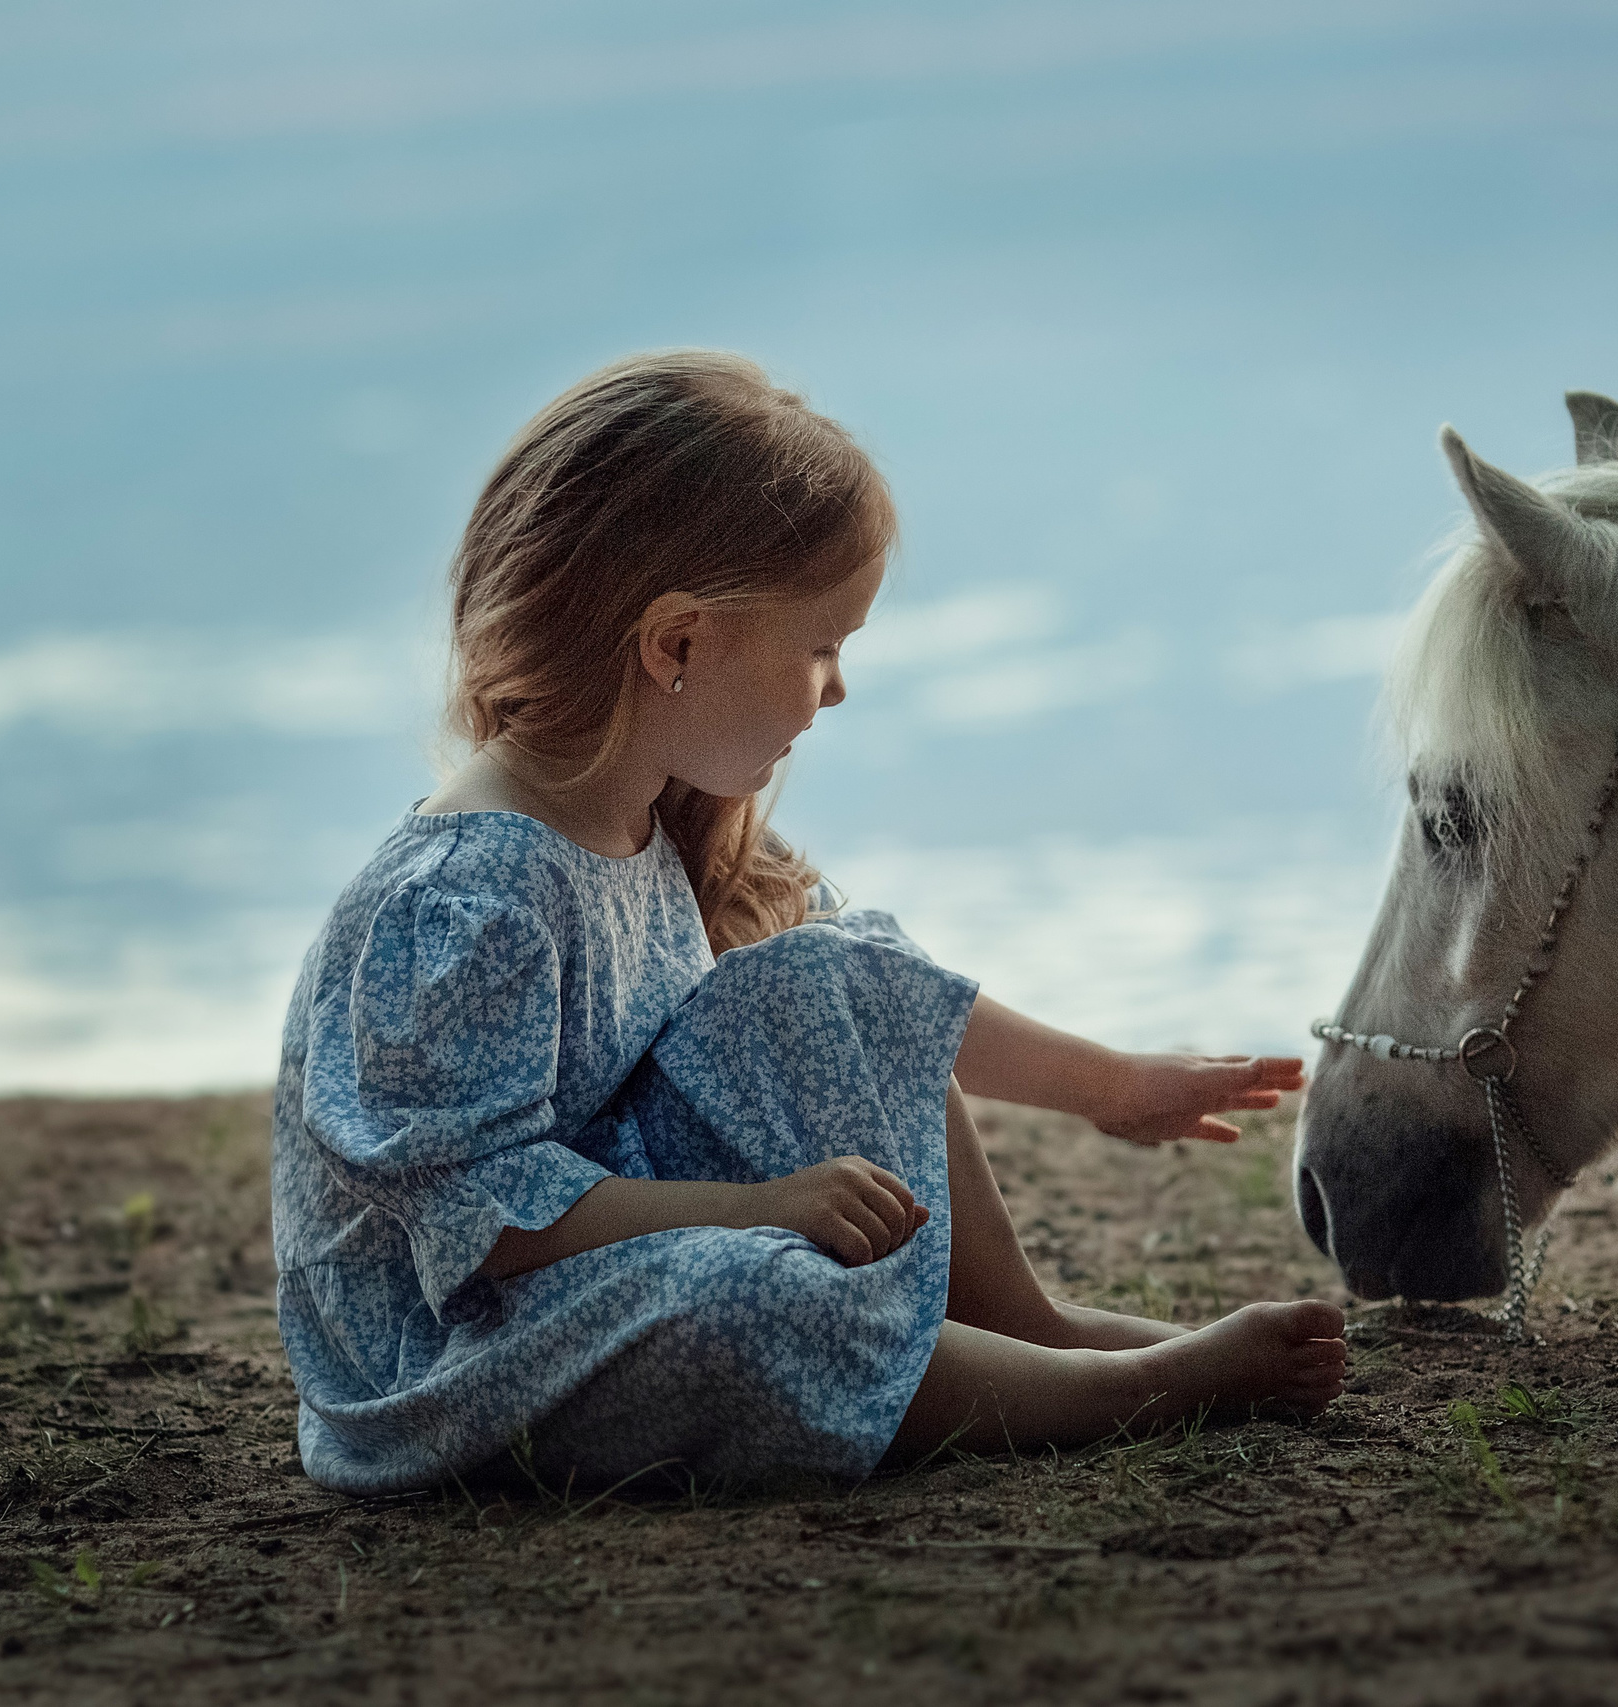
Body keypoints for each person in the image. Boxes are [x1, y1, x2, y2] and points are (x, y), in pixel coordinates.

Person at [270, 350, 1346, 1497]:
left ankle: (1028, 1329)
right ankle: (1114, 1397)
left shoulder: (660, 819)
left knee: (832, 966)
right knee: (753, 1298)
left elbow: (886, 1004)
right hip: (460, 1353)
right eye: (821, 646)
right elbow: (487, 1219)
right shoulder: (466, 901)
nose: (835, 689)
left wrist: (1110, 1086)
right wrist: (757, 1211)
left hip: (614, 1253)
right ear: (677, 646)